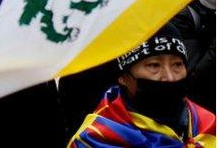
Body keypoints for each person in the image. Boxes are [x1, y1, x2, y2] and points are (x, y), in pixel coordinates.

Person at [69, 23, 216, 146]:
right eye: (154, 66)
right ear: (123, 77)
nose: (170, 77)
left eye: (177, 64)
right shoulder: (95, 139)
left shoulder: (207, 123)